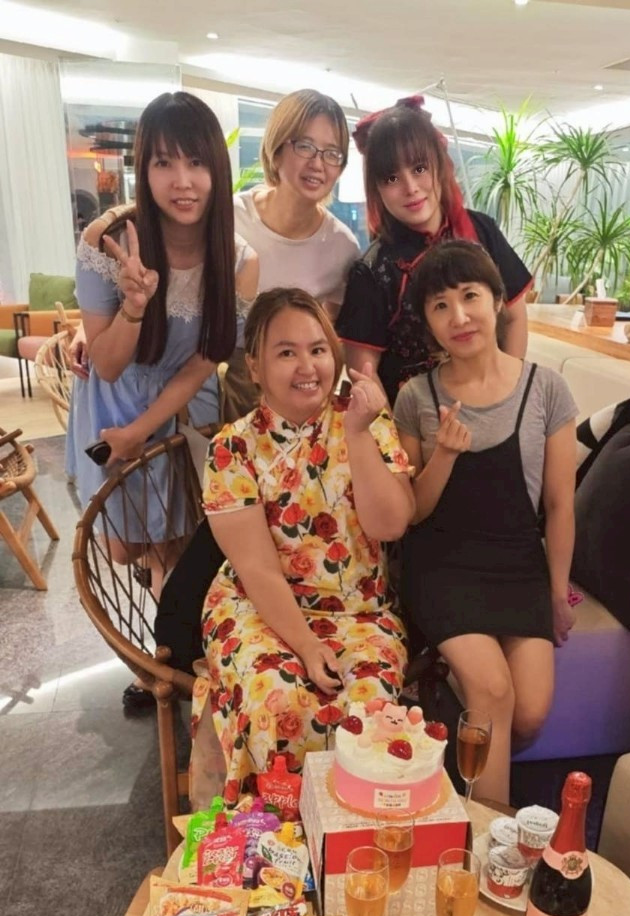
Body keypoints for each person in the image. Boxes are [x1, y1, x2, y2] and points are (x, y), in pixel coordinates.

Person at [193, 287, 414, 803]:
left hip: (361, 610)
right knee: (279, 699)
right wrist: (308, 646)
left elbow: (390, 525)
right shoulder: (232, 448)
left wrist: (357, 434)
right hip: (258, 607)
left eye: (317, 349)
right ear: (254, 366)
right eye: (286, 352)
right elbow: (257, 569)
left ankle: (351, 835)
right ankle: (273, 838)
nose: (307, 366)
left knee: (368, 711)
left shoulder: (367, 420)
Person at [394, 241, 577, 805]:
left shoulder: (545, 388)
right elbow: (410, 513)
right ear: (428, 323)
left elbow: (559, 506)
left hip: (517, 563)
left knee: (531, 713)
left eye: (470, 296)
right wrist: (445, 455)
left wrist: (556, 594)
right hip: (441, 564)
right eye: (440, 306)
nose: (459, 316)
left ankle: (453, 742)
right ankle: (487, 834)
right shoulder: (415, 396)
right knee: (494, 690)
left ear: (497, 300)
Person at [66, 90, 258, 528]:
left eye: (197, 162)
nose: (182, 181)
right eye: (164, 163)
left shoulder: (240, 262)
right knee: (122, 543)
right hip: (114, 403)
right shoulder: (107, 242)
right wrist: (134, 307)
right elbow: (107, 366)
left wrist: (143, 431)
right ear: (144, 170)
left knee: (182, 536)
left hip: (187, 404)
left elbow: (205, 358)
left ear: (217, 169)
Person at [336, 96, 533, 406]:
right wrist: (400, 436)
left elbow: (514, 318)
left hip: (494, 405)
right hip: (416, 423)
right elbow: (364, 372)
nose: (410, 187)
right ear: (376, 188)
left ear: (439, 165)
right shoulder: (373, 270)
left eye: (419, 168)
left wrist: (508, 400)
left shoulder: (482, 231)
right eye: (391, 178)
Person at [224, 89, 360, 419]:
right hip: (227, 385)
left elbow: (331, 335)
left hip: (297, 399)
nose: (318, 164)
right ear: (277, 149)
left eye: (332, 153)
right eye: (305, 146)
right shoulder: (229, 217)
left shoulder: (341, 246)